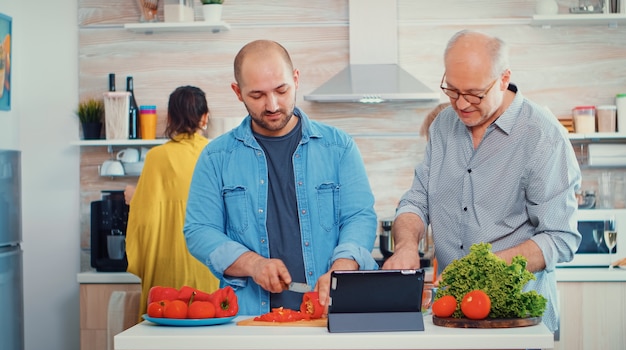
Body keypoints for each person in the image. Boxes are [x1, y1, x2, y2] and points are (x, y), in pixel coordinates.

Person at [382, 30, 581, 333]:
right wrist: (407, 245)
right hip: (452, 319)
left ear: (504, 78)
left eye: (474, 94)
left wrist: (480, 270)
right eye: (451, 91)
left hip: (517, 323)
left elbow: (560, 237)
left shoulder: (542, 136)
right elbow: (416, 201)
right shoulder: (442, 127)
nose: (461, 104)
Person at [183, 40, 378, 316]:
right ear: (237, 92)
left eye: (281, 90)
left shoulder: (339, 147)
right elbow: (199, 230)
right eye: (257, 95)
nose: (272, 105)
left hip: (330, 316)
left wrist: (342, 267)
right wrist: (253, 264)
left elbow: (359, 216)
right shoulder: (216, 157)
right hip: (251, 320)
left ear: (296, 79)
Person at [125, 86, 219, 322]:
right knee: (209, 331)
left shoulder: (156, 158)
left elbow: (144, 220)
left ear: (170, 118)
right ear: (205, 117)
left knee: (164, 336)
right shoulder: (215, 154)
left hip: (165, 270)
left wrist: (133, 199)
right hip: (208, 266)